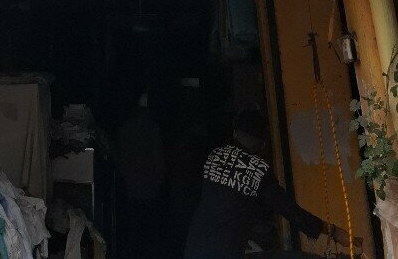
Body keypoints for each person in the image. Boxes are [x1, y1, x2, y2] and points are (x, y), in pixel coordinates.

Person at [184, 108, 362, 259]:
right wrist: (334, 232)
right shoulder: (257, 169)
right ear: (262, 142)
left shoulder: (215, 155)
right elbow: (290, 210)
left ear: (235, 132)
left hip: (194, 248)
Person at [115, 91, 165, 259]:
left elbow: (120, 156)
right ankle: (145, 250)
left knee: (134, 222)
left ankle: (134, 250)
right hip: (148, 185)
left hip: (132, 184)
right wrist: (159, 179)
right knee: (147, 221)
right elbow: (158, 158)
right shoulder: (152, 127)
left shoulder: (126, 127)